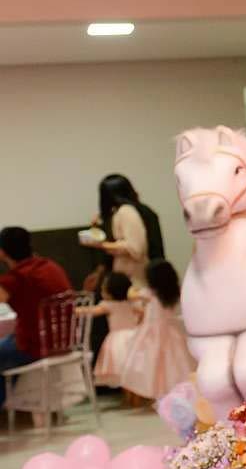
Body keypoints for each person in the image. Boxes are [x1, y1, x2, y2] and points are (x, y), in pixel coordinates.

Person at [0, 226, 73, 409]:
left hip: (36, 345)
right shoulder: (50, 266)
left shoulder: (16, 278)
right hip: (64, 341)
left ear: (2, 252)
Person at [120, 259, 195, 402]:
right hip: (170, 331)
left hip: (151, 334)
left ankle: (158, 393)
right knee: (172, 365)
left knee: (153, 365)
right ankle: (172, 393)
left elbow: (130, 294)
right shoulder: (173, 293)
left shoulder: (148, 293)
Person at [87, 175, 164, 288]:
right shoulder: (142, 211)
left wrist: (101, 244)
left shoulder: (125, 212)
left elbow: (135, 248)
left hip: (137, 276)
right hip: (151, 272)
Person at [81, 272, 141, 388]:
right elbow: (142, 314)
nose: (101, 290)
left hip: (118, 340)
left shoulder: (108, 305)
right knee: (133, 368)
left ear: (110, 292)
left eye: (103, 289)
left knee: (120, 366)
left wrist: (74, 310)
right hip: (135, 337)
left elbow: (91, 311)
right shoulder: (132, 304)